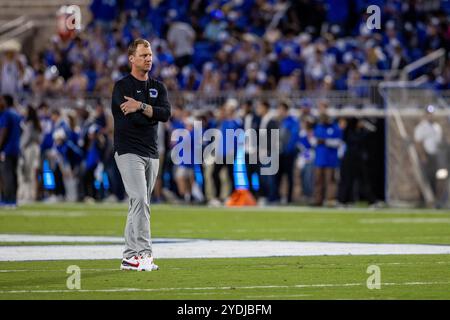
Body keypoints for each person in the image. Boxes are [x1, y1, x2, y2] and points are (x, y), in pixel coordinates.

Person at [111, 39, 171, 271]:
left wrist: (142, 107)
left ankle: (129, 256)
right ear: (131, 58)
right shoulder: (121, 87)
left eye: (150, 54)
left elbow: (165, 114)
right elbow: (132, 118)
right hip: (128, 150)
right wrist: (149, 113)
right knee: (140, 200)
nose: (148, 58)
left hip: (151, 151)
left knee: (137, 203)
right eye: (143, 54)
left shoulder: (159, 86)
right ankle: (145, 254)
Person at [414, 105, 443, 199]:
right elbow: (418, 142)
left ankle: (435, 199)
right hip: (426, 155)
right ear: (425, 114)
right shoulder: (422, 126)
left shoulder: (437, 127)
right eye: (428, 113)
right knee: (425, 178)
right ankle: (424, 199)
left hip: (436, 155)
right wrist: (422, 156)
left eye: (431, 113)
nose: (430, 115)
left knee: (436, 178)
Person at [0, 95, 22, 207]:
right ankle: (13, 199)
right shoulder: (16, 114)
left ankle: (7, 199)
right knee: (13, 174)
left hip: (6, 150)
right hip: (16, 149)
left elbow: (3, 131)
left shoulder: (6, 114)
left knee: (6, 175)